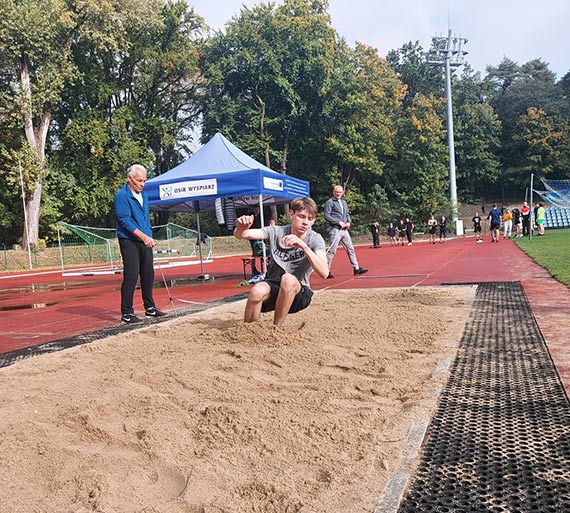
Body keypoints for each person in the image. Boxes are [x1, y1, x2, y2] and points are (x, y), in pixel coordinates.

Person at [233, 197, 328, 327]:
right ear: (291, 214)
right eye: (301, 216)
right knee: (257, 291)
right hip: (274, 286)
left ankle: (275, 329)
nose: (305, 222)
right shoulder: (277, 231)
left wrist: (304, 246)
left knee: (287, 279)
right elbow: (243, 235)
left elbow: (324, 272)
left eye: (310, 219)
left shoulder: (315, 239)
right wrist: (241, 228)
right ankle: (249, 331)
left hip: (299, 292)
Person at [114, 164, 166, 323]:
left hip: (145, 239)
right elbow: (125, 221)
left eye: (144, 181)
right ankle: (127, 312)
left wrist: (149, 235)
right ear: (130, 179)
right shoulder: (122, 196)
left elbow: (144, 218)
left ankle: (150, 308)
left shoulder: (144, 195)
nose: (142, 184)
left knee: (148, 274)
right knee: (131, 275)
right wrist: (143, 237)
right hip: (129, 240)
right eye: (139, 181)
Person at [323, 185, 368, 278]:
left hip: (344, 230)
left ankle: (356, 268)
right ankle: (326, 271)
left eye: (340, 192)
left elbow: (347, 214)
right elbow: (327, 216)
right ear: (333, 192)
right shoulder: (329, 202)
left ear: (342, 192)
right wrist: (338, 222)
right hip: (335, 230)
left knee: (350, 249)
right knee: (332, 251)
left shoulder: (344, 202)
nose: (338, 193)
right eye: (336, 192)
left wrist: (349, 222)